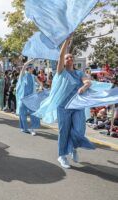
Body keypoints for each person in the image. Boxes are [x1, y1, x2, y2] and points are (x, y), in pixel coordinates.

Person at [54, 36, 94, 168]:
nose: (69, 59)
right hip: (63, 106)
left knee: (79, 129)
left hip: (77, 106)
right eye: (67, 58)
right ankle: (62, 155)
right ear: (64, 62)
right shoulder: (61, 72)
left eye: (71, 57)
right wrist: (66, 40)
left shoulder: (78, 73)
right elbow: (60, 56)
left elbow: (88, 81)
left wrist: (84, 86)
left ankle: (73, 148)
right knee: (64, 130)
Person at [16, 62, 43, 136]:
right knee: (22, 113)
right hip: (23, 98)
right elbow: (24, 65)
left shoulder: (33, 76)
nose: (33, 69)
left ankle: (32, 128)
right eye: (32, 68)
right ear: (29, 68)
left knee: (33, 113)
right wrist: (31, 60)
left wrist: (40, 88)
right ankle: (24, 128)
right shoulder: (23, 75)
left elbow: (40, 83)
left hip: (31, 98)